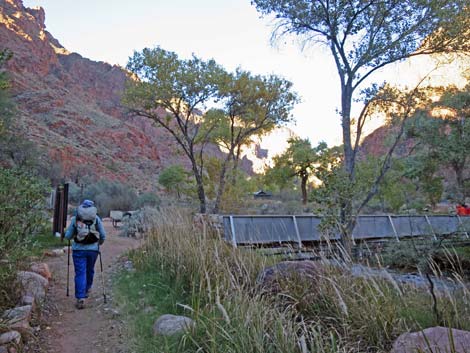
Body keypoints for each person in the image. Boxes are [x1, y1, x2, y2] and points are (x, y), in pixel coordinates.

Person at [65, 199, 106, 309]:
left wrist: (71, 235)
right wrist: (99, 243)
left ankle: (80, 297)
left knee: (80, 272)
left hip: (78, 250)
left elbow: (68, 236)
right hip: (93, 250)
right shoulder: (96, 219)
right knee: (90, 269)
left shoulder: (76, 219)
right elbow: (103, 235)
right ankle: (87, 288)